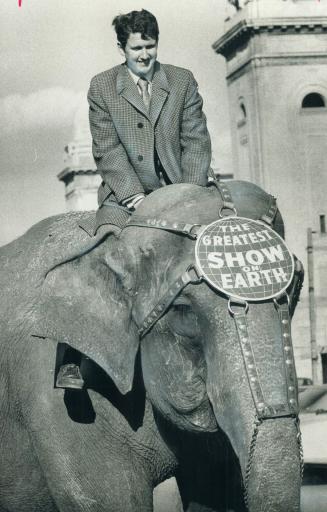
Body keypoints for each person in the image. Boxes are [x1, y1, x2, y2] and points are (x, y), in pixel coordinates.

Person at [56, 8, 212, 389]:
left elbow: (196, 142)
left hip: (184, 193)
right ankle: (73, 357)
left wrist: (188, 197)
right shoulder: (102, 87)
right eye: (137, 47)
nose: (145, 54)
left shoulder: (181, 81)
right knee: (100, 255)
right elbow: (108, 152)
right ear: (122, 48)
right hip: (125, 200)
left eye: (151, 46)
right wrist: (136, 199)